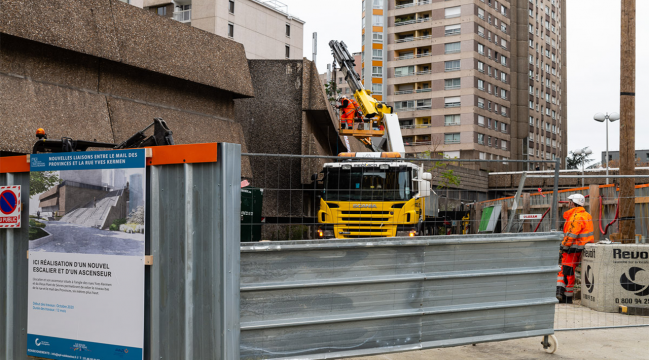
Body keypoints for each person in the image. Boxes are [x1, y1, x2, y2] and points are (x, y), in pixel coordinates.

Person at [556, 193, 594, 304]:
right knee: (570, 272)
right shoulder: (587, 215)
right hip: (580, 249)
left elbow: (571, 234)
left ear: (573, 203)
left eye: (569, 201)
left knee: (564, 272)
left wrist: (563, 246)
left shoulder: (575, 216)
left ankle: (560, 293)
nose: (568, 203)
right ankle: (567, 297)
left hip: (571, 249)